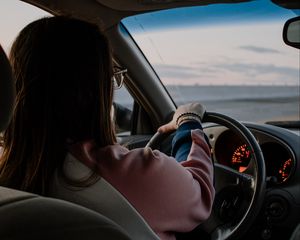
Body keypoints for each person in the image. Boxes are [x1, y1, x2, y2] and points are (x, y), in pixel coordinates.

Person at [0, 16, 214, 240]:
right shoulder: (133, 173)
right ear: (94, 90)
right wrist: (188, 120)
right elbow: (199, 193)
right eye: (112, 77)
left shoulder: (8, 178)